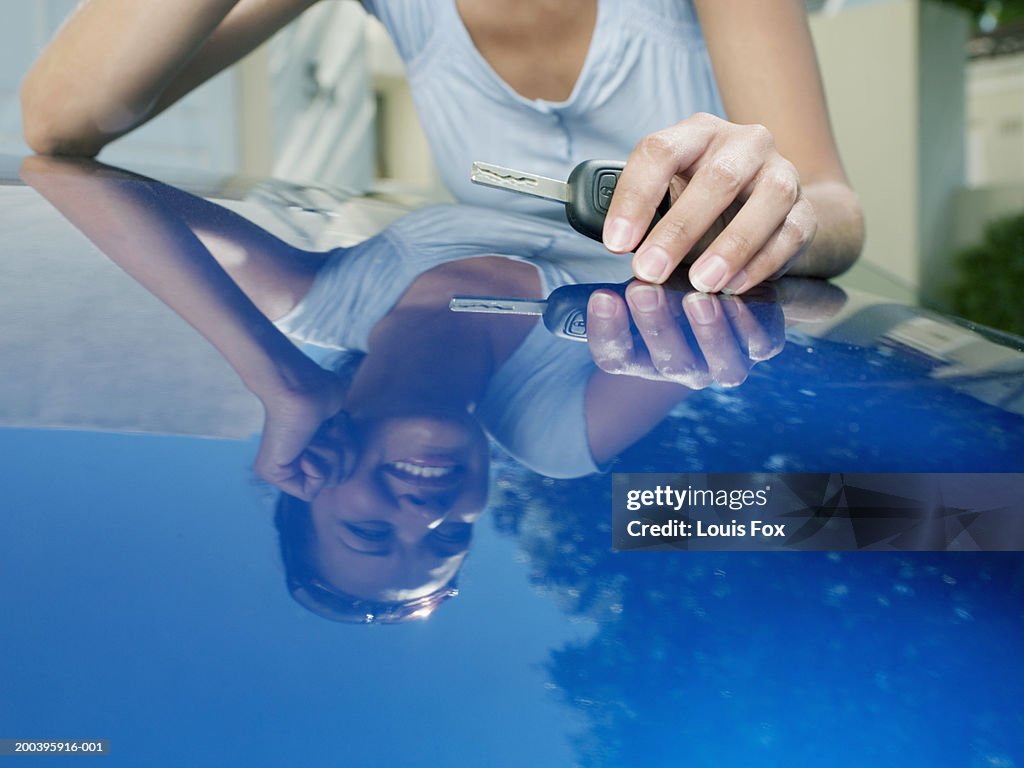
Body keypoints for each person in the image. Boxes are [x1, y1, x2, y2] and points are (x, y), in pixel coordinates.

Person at [20, 0, 864, 296]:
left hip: (719, 351)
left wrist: (780, 213)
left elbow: (832, 207)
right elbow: (63, 117)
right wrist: (281, 387)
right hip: (520, 331)